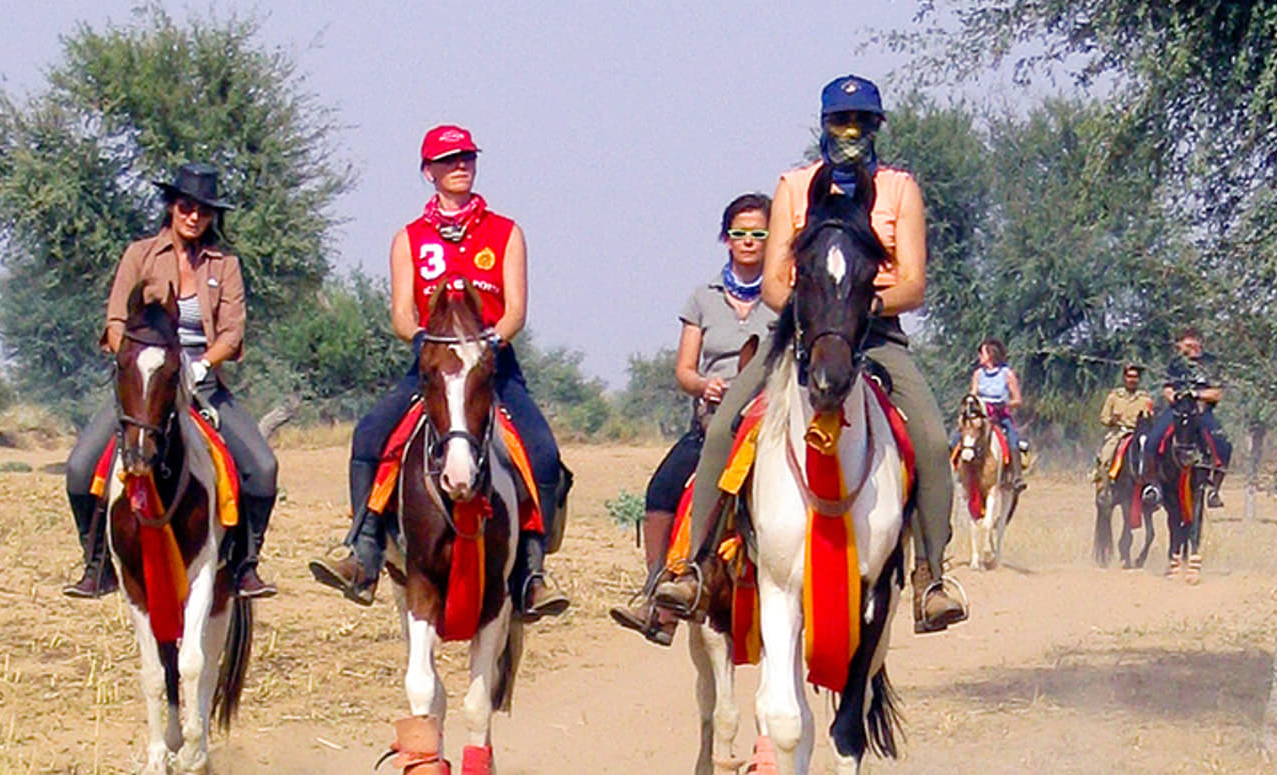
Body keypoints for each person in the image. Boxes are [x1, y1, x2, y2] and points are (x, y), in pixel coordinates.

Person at [655, 75, 968, 634]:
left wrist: (857, 307)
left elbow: (914, 284)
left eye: (862, 122)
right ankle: (691, 567)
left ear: (876, 128)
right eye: (841, 121)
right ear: (823, 126)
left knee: (931, 440)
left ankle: (931, 576)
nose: (851, 132)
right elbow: (775, 284)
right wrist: (820, 308)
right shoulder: (792, 187)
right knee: (726, 427)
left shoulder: (900, 189)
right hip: (801, 333)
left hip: (876, 336)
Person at [308, 125, 569, 620]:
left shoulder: (506, 232)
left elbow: (515, 311)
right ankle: (362, 547)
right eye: (449, 160)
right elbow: (402, 315)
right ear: (429, 172)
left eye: (467, 157)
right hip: (431, 366)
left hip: (492, 368)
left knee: (542, 451)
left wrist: (488, 342)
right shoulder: (409, 238)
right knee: (369, 436)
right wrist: (427, 343)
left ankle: (534, 571)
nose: (461, 166)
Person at [63, 163, 280, 600]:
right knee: (80, 468)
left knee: (263, 468)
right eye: (186, 206)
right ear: (171, 207)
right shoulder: (139, 255)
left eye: (204, 210)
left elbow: (233, 331)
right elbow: (115, 320)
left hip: (202, 382)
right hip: (145, 383)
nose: (194, 217)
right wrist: (141, 361)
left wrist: (199, 365)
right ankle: (98, 563)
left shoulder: (227, 265)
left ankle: (243, 565)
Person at [608, 193, 778, 646]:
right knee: (662, 489)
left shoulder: (786, 298)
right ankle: (658, 597)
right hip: (712, 420)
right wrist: (705, 385)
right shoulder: (703, 298)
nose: (748, 241)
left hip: (768, 420)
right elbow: (684, 370)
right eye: (739, 233)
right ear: (726, 239)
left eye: (759, 233)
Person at [1141, 327, 1232, 507]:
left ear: (1199, 344)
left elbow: (1217, 394)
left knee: (1224, 444)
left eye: (1193, 344)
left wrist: (1196, 395)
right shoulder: (1175, 364)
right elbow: (1167, 389)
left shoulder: (1210, 363)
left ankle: (1214, 490)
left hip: (1201, 411)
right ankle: (1153, 485)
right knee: (1152, 441)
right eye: (1185, 344)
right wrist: (1174, 396)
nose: (1189, 348)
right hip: (1177, 410)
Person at [971, 338, 1029, 490]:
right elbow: (973, 395)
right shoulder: (978, 374)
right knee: (961, 436)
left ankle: (1017, 476)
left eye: (982, 353)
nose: (979, 357)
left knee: (1012, 437)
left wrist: (1005, 405)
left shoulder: (1007, 374)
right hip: (982, 414)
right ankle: (953, 465)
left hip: (1000, 415)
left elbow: (1017, 400)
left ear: (990, 354)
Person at [1092, 363, 1154, 482]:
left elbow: (1150, 419)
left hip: (1138, 434)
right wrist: (1112, 420)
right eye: (1129, 376)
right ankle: (1104, 489)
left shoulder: (1145, 398)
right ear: (1124, 378)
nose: (1132, 380)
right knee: (1106, 458)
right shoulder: (1114, 396)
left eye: (1135, 377)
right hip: (1118, 434)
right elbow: (1103, 418)